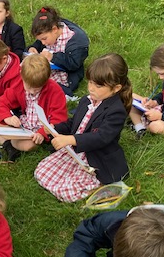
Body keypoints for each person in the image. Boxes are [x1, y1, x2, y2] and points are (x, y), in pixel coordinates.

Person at [34, 53, 130, 202]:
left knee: (66, 192)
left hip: (95, 158)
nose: (91, 88)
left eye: (98, 85)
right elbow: (75, 123)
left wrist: (70, 139)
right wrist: (55, 128)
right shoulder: (87, 100)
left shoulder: (116, 111)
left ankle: (97, 185)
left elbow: (101, 137)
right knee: (41, 172)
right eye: (90, 82)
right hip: (76, 152)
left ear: (116, 88)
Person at [0, 54, 67, 162]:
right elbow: (2, 102)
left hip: (37, 133)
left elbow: (58, 120)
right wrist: (8, 118)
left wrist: (42, 133)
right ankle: (8, 144)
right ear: (22, 77)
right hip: (22, 126)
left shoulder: (55, 91)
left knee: (28, 145)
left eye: (36, 89)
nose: (31, 91)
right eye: (29, 87)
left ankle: (9, 142)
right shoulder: (19, 84)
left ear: (46, 81)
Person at [27, 6, 89, 97]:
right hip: (48, 69)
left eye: (44, 39)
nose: (43, 43)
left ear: (55, 29)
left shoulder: (75, 41)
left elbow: (74, 64)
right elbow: (39, 44)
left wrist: (53, 57)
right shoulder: (48, 36)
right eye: (40, 40)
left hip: (65, 76)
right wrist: (32, 48)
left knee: (40, 85)